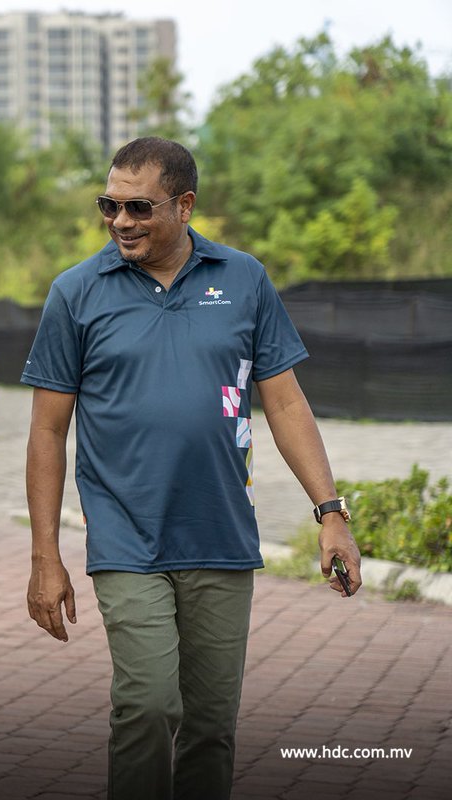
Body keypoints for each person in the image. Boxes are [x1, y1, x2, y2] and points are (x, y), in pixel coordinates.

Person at [21, 137, 363, 800]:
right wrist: (45, 554)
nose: (120, 221)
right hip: (125, 535)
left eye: (138, 207)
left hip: (221, 533)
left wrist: (330, 514)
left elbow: (285, 401)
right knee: (148, 705)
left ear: (185, 205)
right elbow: (46, 430)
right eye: (109, 206)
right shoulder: (76, 293)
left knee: (210, 726)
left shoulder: (243, 279)